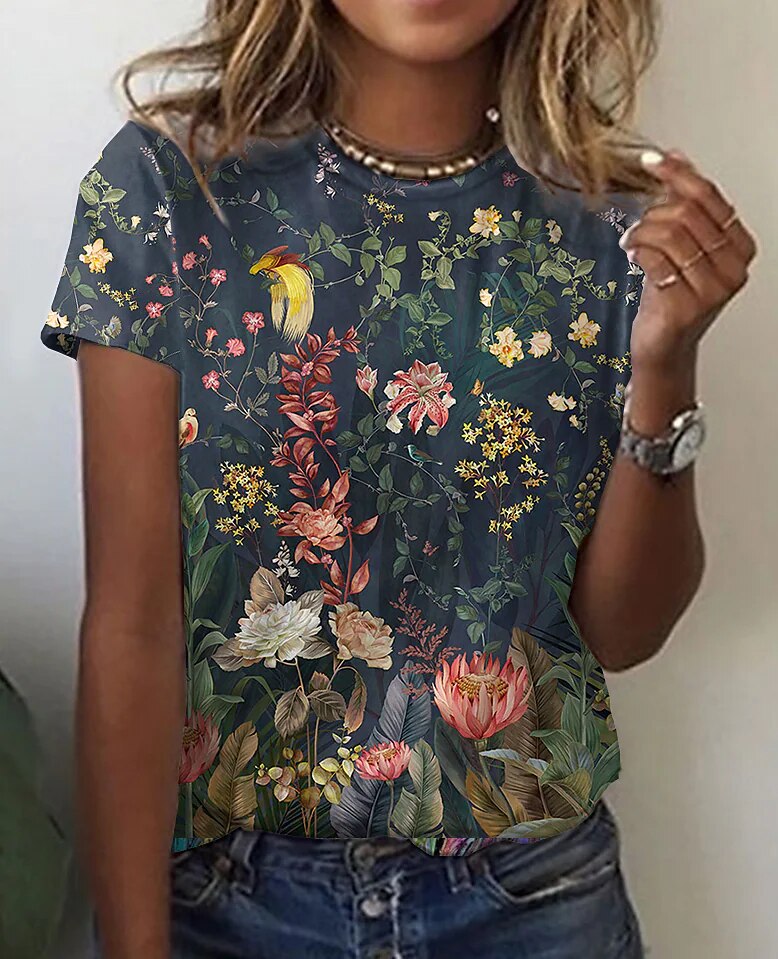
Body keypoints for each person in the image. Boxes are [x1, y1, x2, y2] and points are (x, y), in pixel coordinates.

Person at [42, 2, 756, 957]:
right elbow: (131, 624)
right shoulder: (169, 190)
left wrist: (666, 363)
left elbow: (622, 632)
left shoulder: (618, 225)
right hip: (223, 898)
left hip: (531, 897)